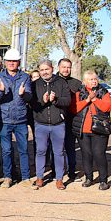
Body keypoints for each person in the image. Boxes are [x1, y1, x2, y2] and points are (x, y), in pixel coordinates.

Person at [0, 48, 33, 188]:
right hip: (4, 119)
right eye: (9, 61)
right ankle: (7, 177)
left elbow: (30, 96)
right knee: (6, 150)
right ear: (5, 62)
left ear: (18, 62)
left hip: (21, 119)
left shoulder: (25, 77)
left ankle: (26, 177)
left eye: (14, 61)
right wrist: (2, 92)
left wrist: (23, 94)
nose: (11, 63)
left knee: (23, 149)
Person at [30, 60, 71, 190]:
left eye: (46, 69)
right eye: (41, 70)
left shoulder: (61, 82)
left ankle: (59, 179)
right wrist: (43, 101)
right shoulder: (34, 84)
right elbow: (32, 104)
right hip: (41, 124)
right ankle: (39, 177)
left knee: (58, 152)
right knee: (40, 151)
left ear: (52, 69)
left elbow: (68, 101)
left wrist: (56, 100)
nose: (44, 72)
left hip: (58, 124)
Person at [73, 70, 111, 190]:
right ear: (85, 82)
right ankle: (88, 178)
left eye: (95, 79)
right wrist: (87, 100)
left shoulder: (103, 92)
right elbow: (74, 108)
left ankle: (103, 180)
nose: (94, 81)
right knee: (86, 155)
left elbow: (107, 107)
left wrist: (95, 99)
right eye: (91, 79)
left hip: (99, 130)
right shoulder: (79, 93)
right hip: (83, 130)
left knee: (99, 154)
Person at [58, 58, 82, 182]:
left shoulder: (77, 83)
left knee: (70, 148)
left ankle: (72, 172)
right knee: (56, 149)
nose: (66, 70)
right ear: (58, 67)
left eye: (68, 67)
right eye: (64, 67)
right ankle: (56, 173)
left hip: (71, 121)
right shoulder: (53, 81)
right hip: (56, 120)